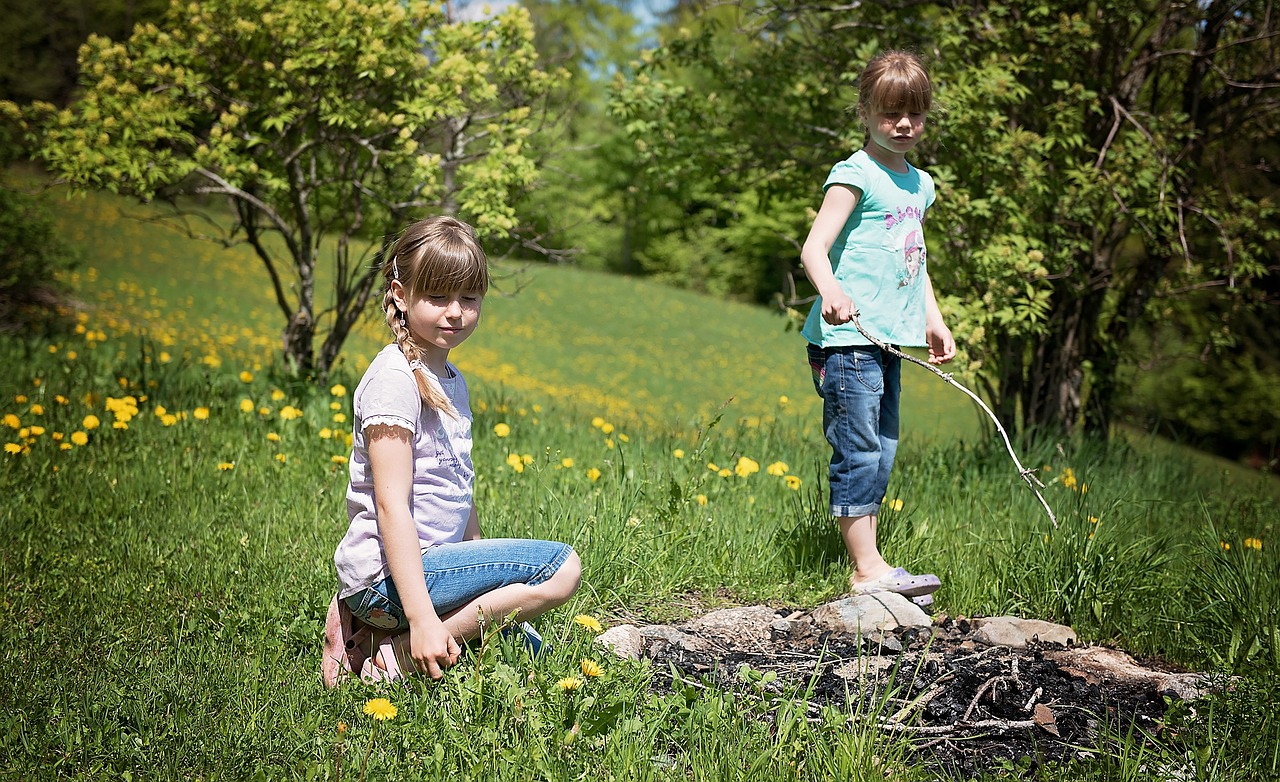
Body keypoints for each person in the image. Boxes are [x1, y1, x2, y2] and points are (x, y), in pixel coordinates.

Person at [322, 216, 581, 686]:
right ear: (401, 295)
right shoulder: (393, 380)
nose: (454, 312)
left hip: (429, 567)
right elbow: (389, 506)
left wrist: (484, 562)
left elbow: (457, 489)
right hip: (391, 577)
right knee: (561, 569)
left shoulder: (451, 381)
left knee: (527, 644)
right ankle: (398, 654)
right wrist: (423, 621)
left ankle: (366, 636)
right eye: (438, 297)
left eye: (468, 298)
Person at [798, 50, 956, 605]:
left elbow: (915, 261)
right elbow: (814, 248)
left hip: (888, 340)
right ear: (865, 111)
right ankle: (868, 571)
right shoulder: (854, 174)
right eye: (891, 114)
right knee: (859, 449)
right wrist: (832, 293)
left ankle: (872, 565)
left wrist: (933, 321)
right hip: (847, 340)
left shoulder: (920, 185)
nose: (905, 124)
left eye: (915, 113)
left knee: (884, 450)